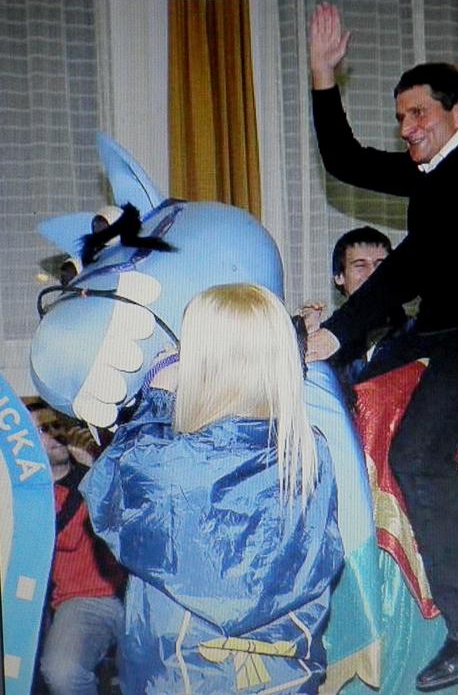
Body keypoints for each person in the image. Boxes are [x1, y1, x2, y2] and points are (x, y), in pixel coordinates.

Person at [307, 2, 458, 693]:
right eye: (400, 117)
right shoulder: (437, 170)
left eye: (418, 114)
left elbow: (410, 263)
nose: (406, 128)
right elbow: (345, 159)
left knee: (416, 453)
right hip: (434, 330)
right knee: (349, 398)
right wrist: (322, 77)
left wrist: (339, 328)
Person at [80, 283, 345, 694]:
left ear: (201, 364)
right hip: (285, 678)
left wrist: (157, 398)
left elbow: (107, 497)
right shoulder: (309, 453)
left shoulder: (164, 461)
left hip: (177, 676)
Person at [27, 399, 125, 695]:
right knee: (62, 671)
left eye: (56, 425)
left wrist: (95, 471)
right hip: (84, 600)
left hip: (136, 592)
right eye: (43, 430)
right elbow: (64, 536)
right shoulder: (31, 497)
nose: (55, 433)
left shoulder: (95, 467)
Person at [300, 225, 410, 387]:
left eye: (382, 266)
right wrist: (303, 336)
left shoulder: (416, 333)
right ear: (339, 277)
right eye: (360, 266)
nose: (373, 274)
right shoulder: (327, 339)